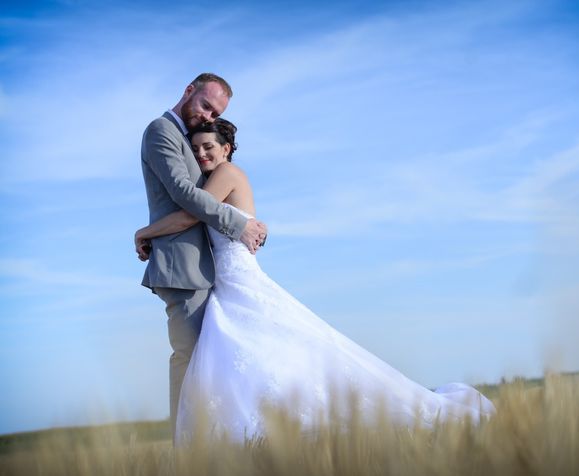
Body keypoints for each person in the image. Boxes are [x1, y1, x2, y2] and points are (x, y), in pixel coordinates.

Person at [135, 118, 496, 444]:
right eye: (195, 149)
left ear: (225, 148)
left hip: (238, 279)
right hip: (227, 282)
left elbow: (188, 217)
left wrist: (145, 232)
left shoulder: (228, 173)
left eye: (208, 147)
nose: (200, 154)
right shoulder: (216, 177)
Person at [137, 73, 268, 437]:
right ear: (188, 91)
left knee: (209, 365)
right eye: (205, 105)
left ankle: (216, 444)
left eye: (216, 114)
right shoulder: (160, 130)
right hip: (182, 267)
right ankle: (185, 454)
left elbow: (213, 196)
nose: (209, 116)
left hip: (208, 268)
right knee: (190, 360)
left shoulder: (192, 142)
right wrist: (238, 224)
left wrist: (250, 221)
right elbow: (182, 193)